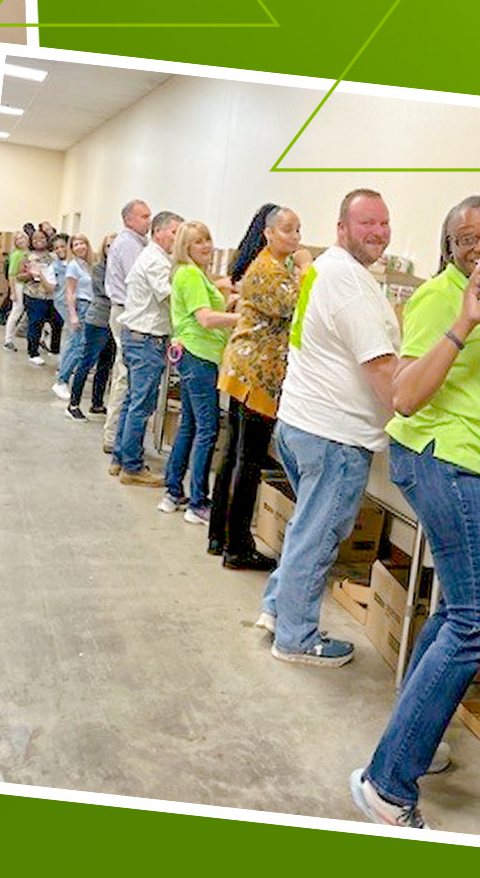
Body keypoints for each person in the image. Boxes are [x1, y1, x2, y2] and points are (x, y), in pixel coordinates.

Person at [350, 197, 480, 830]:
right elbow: (406, 396)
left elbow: (462, 393)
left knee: (455, 613)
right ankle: (388, 784)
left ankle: (412, 739)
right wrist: (463, 321)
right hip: (443, 463)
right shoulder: (444, 299)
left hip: (460, 458)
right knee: (479, 618)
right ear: (449, 248)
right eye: (465, 239)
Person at [259, 189, 401, 667]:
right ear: (342, 228)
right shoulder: (349, 283)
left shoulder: (328, 269)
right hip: (333, 435)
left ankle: (277, 609)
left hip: (303, 423)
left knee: (307, 528)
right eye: (366, 223)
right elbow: (383, 371)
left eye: (383, 223)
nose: (378, 232)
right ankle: (297, 638)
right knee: (318, 536)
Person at [206, 205, 308, 570]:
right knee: (247, 459)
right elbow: (298, 306)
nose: (295, 237)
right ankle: (237, 546)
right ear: (268, 233)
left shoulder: (273, 266)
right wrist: (306, 268)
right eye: (287, 230)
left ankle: (220, 536)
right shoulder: (268, 269)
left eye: (298, 230)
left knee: (236, 454)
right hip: (256, 374)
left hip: (247, 369)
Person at [158, 221, 240, 522]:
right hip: (199, 355)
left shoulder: (192, 274)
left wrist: (226, 298)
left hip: (194, 354)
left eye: (207, 239)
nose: (206, 246)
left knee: (189, 426)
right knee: (207, 428)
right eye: (198, 242)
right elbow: (205, 319)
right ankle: (198, 502)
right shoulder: (191, 274)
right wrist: (242, 318)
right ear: (185, 247)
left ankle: (173, 492)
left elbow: (203, 308)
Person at [109, 212, 182, 485]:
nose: (178, 238)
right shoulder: (155, 261)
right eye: (175, 232)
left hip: (138, 337)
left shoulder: (157, 258)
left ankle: (120, 458)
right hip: (146, 339)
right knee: (140, 406)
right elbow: (170, 297)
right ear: (159, 232)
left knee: (132, 402)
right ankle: (132, 467)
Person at [101, 199, 154, 454]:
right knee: (124, 373)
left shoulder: (138, 243)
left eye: (149, 216)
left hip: (128, 310)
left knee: (125, 372)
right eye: (144, 216)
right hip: (126, 310)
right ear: (128, 219)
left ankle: (116, 433)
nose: (148, 221)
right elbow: (140, 282)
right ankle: (112, 435)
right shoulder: (128, 245)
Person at [65, 233, 117, 420]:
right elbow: (107, 292)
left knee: (106, 364)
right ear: (103, 249)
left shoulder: (120, 269)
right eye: (109, 246)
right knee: (87, 361)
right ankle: (73, 404)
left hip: (113, 321)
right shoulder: (99, 268)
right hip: (98, 320)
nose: (112, 250)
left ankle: (97, 403)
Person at [53, 234, 95, 399]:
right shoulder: (73, 266)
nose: (80, 247)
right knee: (77, 346)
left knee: (80, 345)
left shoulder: (88, 265)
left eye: (82, 243)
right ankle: (61, 381)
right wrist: (73, 315)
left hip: (91, 306)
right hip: (81, 306)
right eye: (76, 245)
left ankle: (64, 378)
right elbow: (69, 292)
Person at [16, 230, 58, 365]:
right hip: (34, 295)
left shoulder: (54, 256)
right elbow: (19, 276)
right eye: (35, 238)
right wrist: (31, 274)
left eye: (42, 238)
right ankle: (33, 352)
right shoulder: (27, 256)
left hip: (52, 295)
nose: (38, 241)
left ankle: (54, 349)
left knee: (57, 323)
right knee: (35, 323)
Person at [0, 229, 30, 350]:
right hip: (18, 285)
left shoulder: (27, 253)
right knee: (16, 311)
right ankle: (8, 340)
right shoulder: (16, 254)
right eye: (18, 239)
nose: (21, 240)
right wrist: (13, 292)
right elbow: (11, 274)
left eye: (22, 237)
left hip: (27, 285)